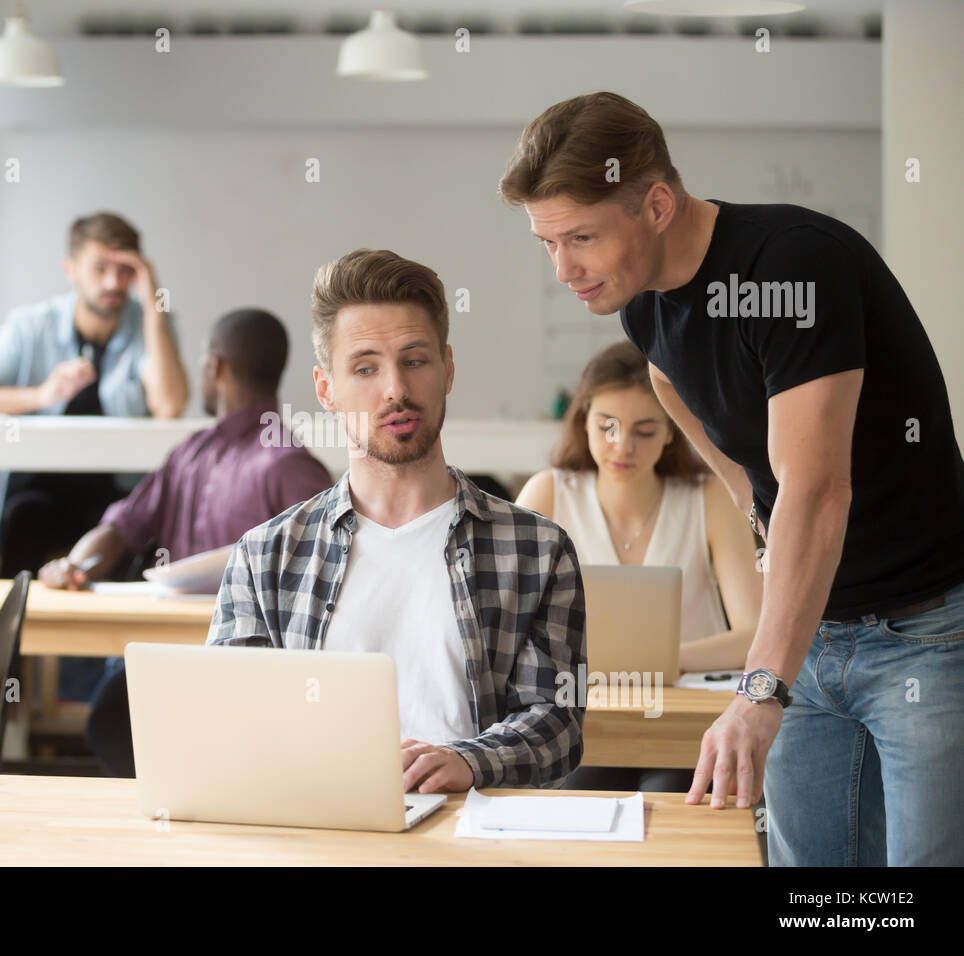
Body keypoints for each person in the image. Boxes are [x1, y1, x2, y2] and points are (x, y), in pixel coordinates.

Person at [499, 91, 964, 865]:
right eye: (546, 242)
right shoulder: (644, 308)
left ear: (655, 203)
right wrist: (755, 505)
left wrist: (757, 690)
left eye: (581, 237)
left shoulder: (791, 266)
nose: (563, 269)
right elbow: (674, 385)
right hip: (808, 635)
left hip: (925, 633)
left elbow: (818, 490)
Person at [208, 249, 586, 792]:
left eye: (414, 361)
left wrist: (468, 762)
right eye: (365, 368)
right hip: (317, 829)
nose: (395, 389)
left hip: (473, 830)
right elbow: (228, 717)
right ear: (325, 390)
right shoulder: (265, 554)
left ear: (447, 369)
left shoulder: (536, 548)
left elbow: (557, 722)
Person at [38, 308, 333, 776]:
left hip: (242, 678)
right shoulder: (193, 455)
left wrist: (80, 563)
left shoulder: (284, 466)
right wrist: (77, 564)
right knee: (115, 716)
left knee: (115, 716)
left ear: (216, 366)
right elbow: (121, 527)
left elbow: (330, 571)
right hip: (176, 663)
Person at [0, 210, 190, 700]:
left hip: (114, 504)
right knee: (25, 529)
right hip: (40, 502)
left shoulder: (149, 323)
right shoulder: (32, 327)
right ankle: (11, 705)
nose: (114, 282)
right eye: (101, 268)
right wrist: (39, 395)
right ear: (70, 268)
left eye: (126, 270)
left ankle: (108, 707)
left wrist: (153, 299)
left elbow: (170, 404)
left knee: (141, 549)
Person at [517, 340, 761, 792]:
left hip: (688, 721)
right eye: (606, 426)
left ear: (672, 431)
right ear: (583, 420)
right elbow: (511, 631)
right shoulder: (548, 493)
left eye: (645, 430)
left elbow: (756, 636)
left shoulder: (708, 498)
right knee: (576, 790)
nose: (622, 446)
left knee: (673, 792)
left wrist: (664, 662)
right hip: (581, 717)